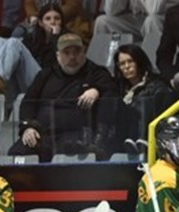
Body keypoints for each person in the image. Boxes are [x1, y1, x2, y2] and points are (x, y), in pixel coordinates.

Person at [9, 33, 119, 162]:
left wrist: (97, 90)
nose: (72, 57)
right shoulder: (45, 75)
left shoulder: (97, 73)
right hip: (44, 135)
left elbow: (113, 94)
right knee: (17, 153)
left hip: (79, 137)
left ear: (84, 53)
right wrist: (28, 127)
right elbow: (28, 103)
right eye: (66, 53)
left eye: (77, 52)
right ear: (58, 56)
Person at [0, 3, 65, 95]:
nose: (53, 22)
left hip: (46, 84)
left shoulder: (66, 39)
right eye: (48, 19)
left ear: (61, 22)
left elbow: (57, 66)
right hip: (26, 79)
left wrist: (55, 38)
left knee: (14, 42)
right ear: (40, 23)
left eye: (57, 18)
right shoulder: (32, 38)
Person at [114, 44, 174, 143]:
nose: (127, 66)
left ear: (139, 61)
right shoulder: (118, 88)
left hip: (150, 139)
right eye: (122, 64)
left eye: (130, 61)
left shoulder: (157, 86)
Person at [94, 0, 179, 41]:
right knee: (102, 21)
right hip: (138, 20)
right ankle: (99, 70)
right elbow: (111, 11)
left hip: (169, 19)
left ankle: (157, 71)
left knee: (151, 21)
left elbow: (154, 9)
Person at [21, 0, 92, 42]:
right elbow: (29, 3)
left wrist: (53, 16)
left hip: (66, 21)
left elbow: (73, 6)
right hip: (40, 20)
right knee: (18, 32)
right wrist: (33, 15)